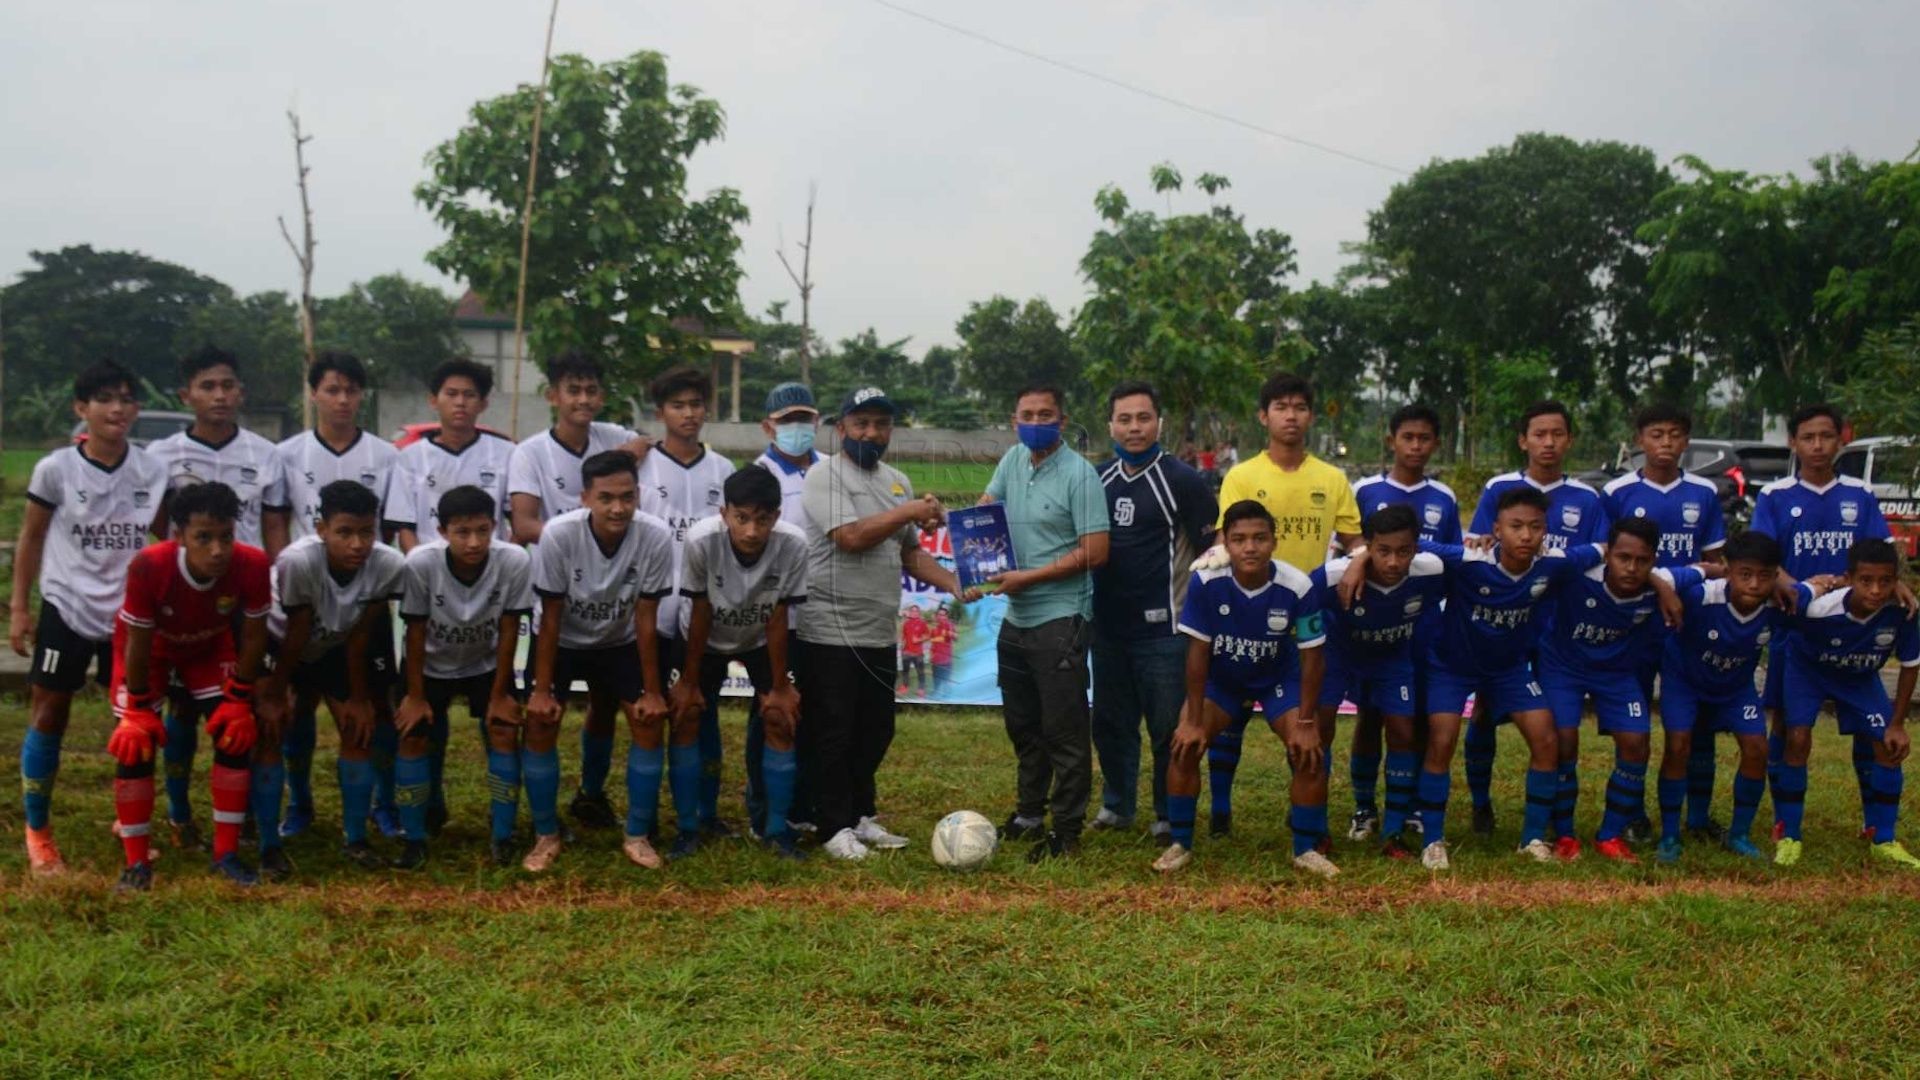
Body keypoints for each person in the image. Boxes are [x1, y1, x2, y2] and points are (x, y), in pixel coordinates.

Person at [1341, 487, 1604, 870]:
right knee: (1442, 739)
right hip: (1452, 667)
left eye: (1535, 527)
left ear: (1546, 530)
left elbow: (1604, 549)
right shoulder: (1468, 559)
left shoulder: (1555, 563)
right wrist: (1361, 558)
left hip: (1508, 671)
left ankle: (1532, 838)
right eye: (1516, 526)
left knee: (1547, 738)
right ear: (1496, 529)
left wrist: (1662, 583)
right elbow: (1407, 544)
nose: (1526, 535)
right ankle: (1433, 839)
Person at [796, 386, 966, 860]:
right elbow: (850, 537)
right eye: (861, 423)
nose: (871, 432)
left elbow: (909, 552)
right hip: (829, 628)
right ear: (841, 429)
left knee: (875, 729)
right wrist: (908, 511)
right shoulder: (823, 476)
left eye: (881, 424)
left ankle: (858, 815)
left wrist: (954, 582)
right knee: (833, 731)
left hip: (876, 628)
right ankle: (832, 826)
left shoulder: (897, 481)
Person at [12, 361, 167, 875]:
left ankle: (131, 823)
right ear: (82, 408)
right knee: (50, 712)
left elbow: (167, 539)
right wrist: (20, 608)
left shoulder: (151, 470)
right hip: (68, 604)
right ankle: (38, 831)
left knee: (134, 719)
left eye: (126, 399)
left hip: (129, 615)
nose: (117, 409)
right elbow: (32, 537)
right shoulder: (55, 469)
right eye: (104, 399)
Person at [147, 346, 291, 850]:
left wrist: (275, 589)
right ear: (186, 395)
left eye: (228, 385)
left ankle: (243, 812)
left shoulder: (265, 454)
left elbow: (275, 529)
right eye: (207, 386)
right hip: (187, 600)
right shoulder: (161, 456)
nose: (219, 395)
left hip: (244, 599)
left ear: (241, 392)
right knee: (183, 709)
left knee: (242, 705)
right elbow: (155, 525)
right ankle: (179, 812)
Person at [1204, 372, 1358, 836]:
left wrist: (1362, 559)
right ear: (1263, 416)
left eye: (1299, 407)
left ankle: (1308, 816)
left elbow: (1354, 540)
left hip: (1305, 622)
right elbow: (1224, 541)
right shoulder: (1242, 476)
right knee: (1229, 716)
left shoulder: (1331, 478)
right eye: (1281, 407)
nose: (1291, 416)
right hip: (1245, 618)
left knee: (1315, 721)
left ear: (1311, 416)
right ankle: (1220, 810)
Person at [1747, 403, 1904, 841]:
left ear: (1841, 440)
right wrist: (1804, 590)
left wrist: (1897, 585)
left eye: (1826, 437)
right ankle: (1784, 824)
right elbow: (1765, 560)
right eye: (1808, 438)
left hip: (1855, 631)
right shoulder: (1775, 496)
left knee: (1869, 729)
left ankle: (1875, 825)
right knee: (1788, 725)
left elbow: (1884, 556)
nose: (1817, 446)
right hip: (1795, 627)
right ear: (1793, 443)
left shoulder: (1859, 494)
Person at [107, 482, 273, 891]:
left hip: (208, 647)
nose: (217, 550)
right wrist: (138, 707)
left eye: (226, 536)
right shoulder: (149, 565)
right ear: (179, 535)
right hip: (150, 652)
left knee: (235, 735)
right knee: (135, 744)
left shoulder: (252, 563)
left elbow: (254, 636)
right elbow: (137, 642)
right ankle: (136, 863)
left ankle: (226, 855)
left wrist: (239, 697)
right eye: (203, 537)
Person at [1461, 400, 1611, 834]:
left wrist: (1556, 560)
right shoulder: (1499, 487)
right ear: (1523, 440)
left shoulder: (1587, 498)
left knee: (1559, 724)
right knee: (1485, 711)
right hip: (1506, 623)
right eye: (1539, 434)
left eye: (1557, 434)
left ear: (1570, 440)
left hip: (1559, 628)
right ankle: (1481, 804)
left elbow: (1602, 551)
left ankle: (1556, 820)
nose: (1549, 442)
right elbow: (1477, 545)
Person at [523, 450, 675, 872]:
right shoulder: (559, 534)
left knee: (648, 720)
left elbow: (646, 617)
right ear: (585, 497)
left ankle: (638, 835)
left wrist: (652, 691)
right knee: (540, 722)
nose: (618, 508)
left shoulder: (655, 535)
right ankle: (545, 835)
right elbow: (550, 616)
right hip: (562, 640)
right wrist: (541, 690)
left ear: (638, 495)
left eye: (627, 497)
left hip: (619, 640)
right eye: (606, 498)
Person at [1158, 501, 1326, 875]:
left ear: (1274, 542)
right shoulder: (1205, 581)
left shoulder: (1298, 586)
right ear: (1226, 544)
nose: (1250, 547)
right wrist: (1193, 719)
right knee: (1184, 747)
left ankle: (1305, 849)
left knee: (1310, 752)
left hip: (1277, 680)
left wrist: (1305, 721)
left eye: (1259, 538)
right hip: (1223, 681)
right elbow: (1197, 653)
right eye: (1239, 539)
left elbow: (1313, 657)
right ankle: (1180, 844)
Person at [272, 351, 399, 843]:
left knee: (372, 710)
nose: (342, 399)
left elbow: (391, 528)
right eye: (332, 389)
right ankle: (298, 804)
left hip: (360, 595)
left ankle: (381, 806)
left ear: (361, 395)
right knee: (297, 707)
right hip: (306, 596)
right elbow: (276, 522)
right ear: (314, 394)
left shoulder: (386, 455)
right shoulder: (287, 453)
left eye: (351, 390)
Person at [983, 381, 1111, 861]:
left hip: (1061, 617)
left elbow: (1096, 551)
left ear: (1062, 420)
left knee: (1064, 730)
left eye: (1045, 415)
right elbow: (987, 509)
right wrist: (961, 527)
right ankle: (1029, 813)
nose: (1036, 423)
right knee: (1023, 724)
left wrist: (1029, 577)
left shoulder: (1080, 475)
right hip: (1016, 617)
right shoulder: (1013, 460)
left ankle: (1067, 830)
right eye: (1027, 415)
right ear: (1014, 421)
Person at [1090, 380, 1216, 842]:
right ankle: (1117, 805)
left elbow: (1211, 552)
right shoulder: (1096, 480)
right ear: (1110, 426)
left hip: (1165, 632)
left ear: (1159, 423)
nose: (1134, 427)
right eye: (1124, 419)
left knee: (1167, 729)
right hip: (1108, 630)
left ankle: (1168, 812)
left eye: (1143, 418)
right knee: (1110, 724)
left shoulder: (1183, 480)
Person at [265, 481, 408, 871]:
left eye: (366, 532)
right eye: (344, 532)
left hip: (338, 644)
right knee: (283, 720)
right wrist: (277, 691)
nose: (357, 544)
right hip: (283, 644)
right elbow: (296, 632)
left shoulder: (388, 564)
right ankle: (297, 808)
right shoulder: (296, 562)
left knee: (358, 728)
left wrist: (358, 698)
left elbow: (361, 635)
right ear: (321, 528)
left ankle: (355, 837)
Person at [1601, 403, 1727, 844]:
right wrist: (1660, 585)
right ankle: (1633, 813)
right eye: (1657, 434)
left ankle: (1698, 816)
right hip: (1635, 622)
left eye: (1675, 434)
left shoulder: (1703, 492)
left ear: (1686, 441)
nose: (1666, 443)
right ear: (1640, 440)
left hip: (1688, 623)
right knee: (1632, 719)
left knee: (1696, 721)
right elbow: (1607, 558)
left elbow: (1715, 562)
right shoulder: (1617, 492)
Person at [669, 466, 810, 860]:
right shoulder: (701, 540)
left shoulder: (793, 544)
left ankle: (776, 831)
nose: (751, 531)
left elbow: (779, 615)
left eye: (762, 520)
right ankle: (691, 825)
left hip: (760, 636)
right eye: (741, 518)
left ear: (776, 517)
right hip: (703, 636)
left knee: (780, 717)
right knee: (689, 714)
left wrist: (780, 687)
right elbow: (699, 610)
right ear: (724, 513)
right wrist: (689, 682)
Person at [1533, 517, 1687, 863]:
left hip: (1615, 674)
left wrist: (1663, 586)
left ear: (1654, 560)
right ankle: (1564, 833)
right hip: (1563, 668)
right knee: (1563, 740)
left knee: (1636, 742)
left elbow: (1709, 569)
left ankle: (1610, 835)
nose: (1631, 568)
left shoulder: (1662, 583)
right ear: (1608, 555)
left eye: (1642, 561)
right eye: (1623, 558)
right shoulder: (1578, 575)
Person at [395, 486, 534, 868]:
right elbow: (414, 633)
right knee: (413, 735)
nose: (473, 542)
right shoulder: (421, 563)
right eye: (462, 532)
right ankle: (414, 837)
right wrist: (414, 696)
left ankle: (503, 834)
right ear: (442, 531)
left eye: (482, 530)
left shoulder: (514, 560)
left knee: (503, 729)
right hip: (429, 666)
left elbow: (510, 628)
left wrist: (500, 694)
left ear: (495, 526)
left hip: (485, 665)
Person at [1345, 403, 1459, 842]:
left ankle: (1408, 805)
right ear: (1391, 440)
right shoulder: (1365, 491)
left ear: (1436, 444)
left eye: (1424, 438)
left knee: (1414, 718)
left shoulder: (1444, 497)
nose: (1415, 446)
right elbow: (1349, 548)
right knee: (1369, 717)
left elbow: (1450, 562)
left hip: (1421, 626)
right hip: (1372, 625)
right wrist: (1360, 558)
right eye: (1407, 437)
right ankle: (1363, 808)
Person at [635, 364, 738, 838]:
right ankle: (651, 818)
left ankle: (704, 814)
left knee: (701, 712)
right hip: (654, 615)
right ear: (660, 413)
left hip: (706, 617)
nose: (688, 413)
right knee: (654, 716)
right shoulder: (641, 467)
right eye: (677, 405)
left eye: (696, 404)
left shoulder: (723, 470)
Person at [1310, 505, 1446, 859]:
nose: (1393, 562)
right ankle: (1318, 824)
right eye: (1383, 551)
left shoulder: (1432, 569)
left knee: (1402, 729)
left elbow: (1470, 559)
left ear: (1417, 547)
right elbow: (1298, 602)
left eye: (1404, 551)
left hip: (1392, 658)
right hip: (1339, 657)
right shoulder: (1332, 576)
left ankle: (1393, 831)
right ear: (1368, 546)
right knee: (1320, 729)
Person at [1775, 539, 1920, 868]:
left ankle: (1883, 838)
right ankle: (1789, 835)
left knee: (1887, 744)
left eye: (1885, 581)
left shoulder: (1903, 611)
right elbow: (1781, 614)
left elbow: (1911, 665)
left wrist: (1898, 724)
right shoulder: (1819, 610)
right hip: (1809, 671)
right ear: (1850, 579)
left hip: (1859, 677)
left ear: (1896, 581)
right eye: (1866, 581)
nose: (1875, 590)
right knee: (1797, 738)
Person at [1657, 531, 1785, 861]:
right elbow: (1656, 577)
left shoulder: (1780, 603)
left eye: (1764, 576)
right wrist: (1701, 571)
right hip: (1684, 682)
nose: (1754, 584)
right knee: (1678, 746)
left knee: (1757, 748)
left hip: (1735, 688)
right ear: (1728, 571)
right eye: (1745, 574)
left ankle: (1739, 834)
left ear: (1776, 575)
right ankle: (1669, 835)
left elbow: (1823, 594)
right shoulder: (1700, 596)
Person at [748, 381, 821, 837]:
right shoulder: (759, 479)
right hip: (777, 619)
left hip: (824, 617)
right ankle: (763, 812)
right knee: (772, 713)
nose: (797, 426)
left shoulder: (832, 470)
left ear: (817, 421)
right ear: (768, 426)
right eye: (787, 419)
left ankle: (803, 806)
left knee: (814, 715)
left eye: (804, 418)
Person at [506, 349, 650, 544]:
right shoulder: (529, 453)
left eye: (591, 391)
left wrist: (636, 447)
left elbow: (652, 444)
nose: (584, 400)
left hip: (613, 558)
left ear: (601, 397)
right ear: (552, 396)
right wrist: (585, 541)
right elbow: (524, 526)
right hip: (558, 558)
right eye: (574, 391)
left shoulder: (615, 436)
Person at [385, 358, 515, 551]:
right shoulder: (410, 457)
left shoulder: (508, 453)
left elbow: (518, 521)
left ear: (483, 404)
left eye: (469, 395)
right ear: (433, 400)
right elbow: (404, 527)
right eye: (451, 394)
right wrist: (421, 563)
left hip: (490, 562)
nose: (460, 402)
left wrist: (504, 561)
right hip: (430, 562)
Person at [898, 605, 931, 696]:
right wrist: (901, 643)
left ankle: (921, 689)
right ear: (910, 612)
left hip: (918, 653)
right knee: (905, 671)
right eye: (912, 611)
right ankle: (905, 686)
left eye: (916, 611)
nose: (914, 612)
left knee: (920, 672)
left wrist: (919, 639)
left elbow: (928, 636)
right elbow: (903, 636)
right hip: (906, 652)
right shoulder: (906, 623)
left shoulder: (922, 623)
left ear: (918, 613)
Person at [929, 607, 957, 697]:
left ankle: (947, 697)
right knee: (936, 681)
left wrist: (951, 634)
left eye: (943, 615)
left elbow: (956, 637)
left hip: (946, 661)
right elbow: (933, 642)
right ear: (937, 616)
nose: (941, 617)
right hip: (936, 660)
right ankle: (935, 693)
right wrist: (931, 655)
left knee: (946, 683)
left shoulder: (949, 625)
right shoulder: (934, 629)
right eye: (939, 615)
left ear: (946, 616)